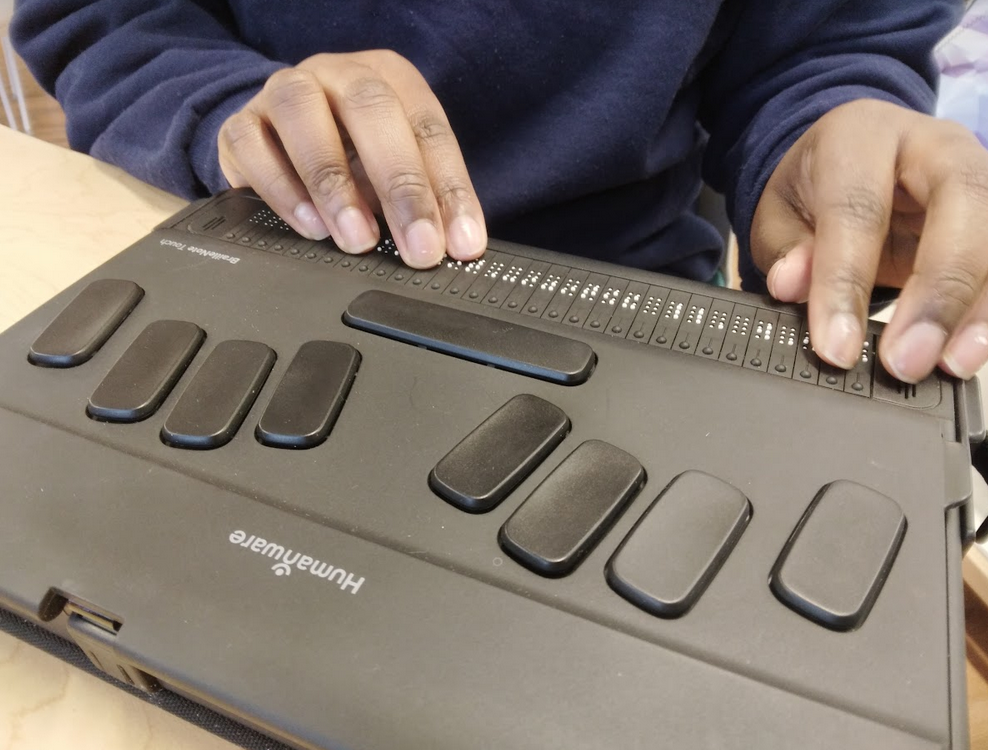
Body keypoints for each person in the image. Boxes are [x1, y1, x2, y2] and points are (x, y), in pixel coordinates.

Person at [11, 1, 986, 385]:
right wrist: (226, 107)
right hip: (261, 246)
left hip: (622, 322)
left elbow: (822, 44)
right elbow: (101, 16)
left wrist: (820, 132)